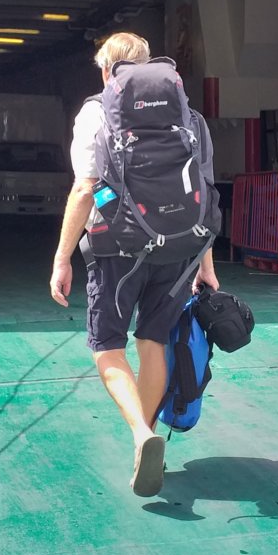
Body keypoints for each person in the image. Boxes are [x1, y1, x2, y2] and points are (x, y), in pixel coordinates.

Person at [49, 32, 219, 497]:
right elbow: (200, 192)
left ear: (107, 71)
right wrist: (206, 262)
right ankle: (144, 440)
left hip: (116, 250)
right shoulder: (188, 115)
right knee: (152, 343)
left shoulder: (96, 112)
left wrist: (62, 258)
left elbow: (85, 190)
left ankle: (143, 436)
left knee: (107, 348)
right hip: (181, 249)